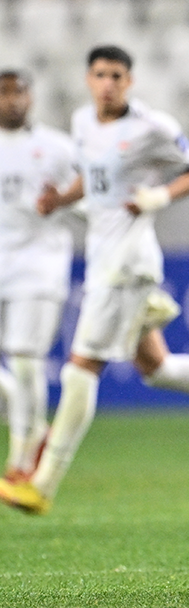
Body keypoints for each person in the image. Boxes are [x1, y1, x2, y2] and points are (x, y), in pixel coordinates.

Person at [0, 45, 189, 516]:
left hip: (126, 264)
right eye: (100, 74)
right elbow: (91, 178)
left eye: (117, 75)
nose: (108, 83)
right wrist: (61, 199)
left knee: (81, 367)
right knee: (157, 367)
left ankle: (43, 482)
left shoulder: (150, 127)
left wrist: (157, 197)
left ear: (129, 81)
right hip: (104, 257)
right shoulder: (82, 123)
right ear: (88, 78)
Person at [0, 69, 77, 484]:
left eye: (19, 92)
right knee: (18, 369)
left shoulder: (57, 149)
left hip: (38, 267)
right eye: (3, 92)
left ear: (31, 98)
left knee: (26, 362)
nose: (11, 99)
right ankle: (36, 430)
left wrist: (63, 201)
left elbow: (91, 197)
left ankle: (21, 458)